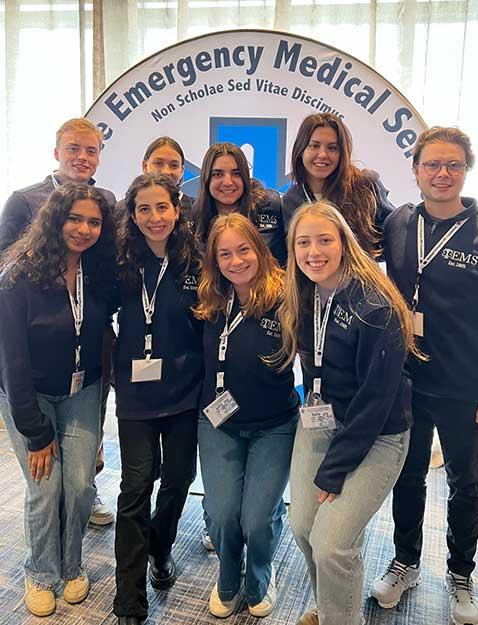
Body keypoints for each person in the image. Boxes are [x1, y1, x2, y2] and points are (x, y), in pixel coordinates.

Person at [370, 127, 478, 625]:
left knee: (465, 484)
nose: (441, 174)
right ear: (416, 170)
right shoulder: (401, 223)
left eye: (452, 165)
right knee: (407, 475)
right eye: (431, 165)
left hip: (467, 386)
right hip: (405, 380)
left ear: (466, 171)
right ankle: (405, 562)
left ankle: (462, 574)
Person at [279, 201, 418, 625]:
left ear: (345, 243)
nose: (314, 251)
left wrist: (333, 469)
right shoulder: (302, 291)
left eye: (325, 240)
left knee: (332, 543)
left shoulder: (374, 304)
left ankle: (344, 618)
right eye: (304, 242)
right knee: (303, 529)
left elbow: (375, 402)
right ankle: (332, 608)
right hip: (320, 422)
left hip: (377, 434)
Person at [0, 183, 115, 617]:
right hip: (28, 396)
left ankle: (72, 565)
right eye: (75, 219)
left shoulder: (98, 272)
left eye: (94, 222)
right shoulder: (17, 276)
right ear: (54, 219)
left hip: (82, 391)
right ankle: (40, 572)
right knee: (46, 489)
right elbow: (11, 364)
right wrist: (34, 431)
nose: (84, 229)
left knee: (80, 484)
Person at [0, 117, 117, 526]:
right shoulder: (23, 200)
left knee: (85, 444)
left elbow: (107, 273)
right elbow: (5, 274)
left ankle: (88, 491)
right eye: (73, 149)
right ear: (56, 152)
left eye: (90, 150)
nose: (82, 158)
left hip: (89, 349)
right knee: (45, 475)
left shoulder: (106, 200)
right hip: (37, 350)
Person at [194, 213, 299, 618]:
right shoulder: (210, 300)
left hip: (274, 425)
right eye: (225, 254)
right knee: (222, 515)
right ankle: (228, 576)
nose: (236, 261)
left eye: (243, 250)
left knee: (255, 520)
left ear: (259, 248)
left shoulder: (286, 296)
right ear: (214, 260)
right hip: (218, 423)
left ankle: (259, 576)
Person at [113, 173, 203, 625]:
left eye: (161, 208)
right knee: (135, 488)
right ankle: (129, 597)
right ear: (132, 215)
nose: (154, 217)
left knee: (178, 479)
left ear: (176, 209)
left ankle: (160, 548)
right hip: (135, 397)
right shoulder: (120, 261)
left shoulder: (196, 260)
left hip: (185, 393)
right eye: (143, 209)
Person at [281, 113, 394, 258]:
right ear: (300, 150)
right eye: (314, 145)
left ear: (342, 153)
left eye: (332, 148)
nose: (322, 154)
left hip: (362, 278)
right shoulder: (291, 201)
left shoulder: (366, 186)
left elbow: (394, 236)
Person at [193, 142, 287, 266]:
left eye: (236, 173)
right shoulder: (194, 215)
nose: (227, 182)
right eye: (218, 174)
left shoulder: (272, 205)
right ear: (206, 179)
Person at [116, 136, 194, 228]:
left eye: (174, 165)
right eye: (158, 163)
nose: (166, 171)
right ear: (145, 166)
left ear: (182, 171)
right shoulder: (123, 208)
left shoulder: (195, 208)